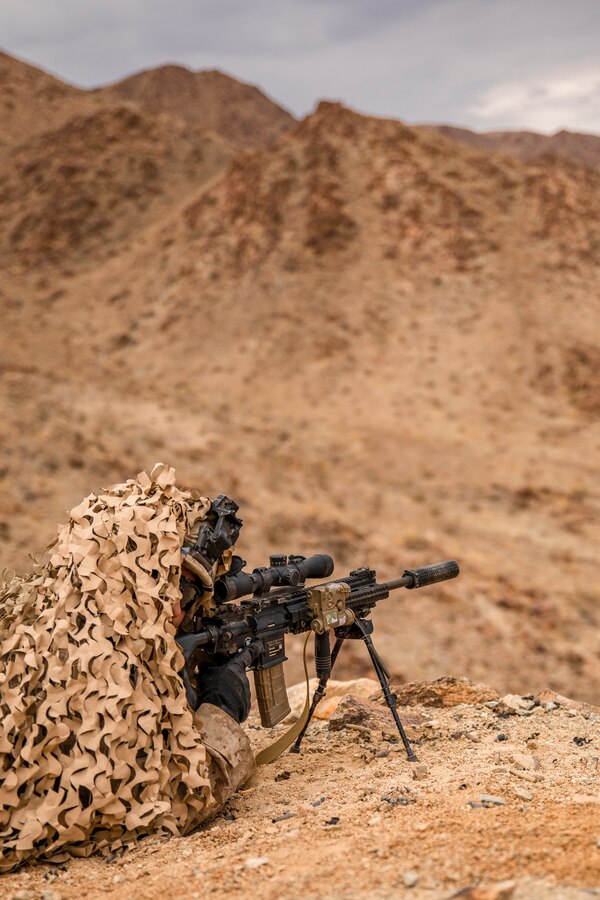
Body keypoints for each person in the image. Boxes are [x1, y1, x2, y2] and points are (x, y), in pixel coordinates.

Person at [0, 464, 255, 872]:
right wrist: (222, 708)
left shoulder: (38, 622)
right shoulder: (101, 668)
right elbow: (173, 802)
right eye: (164, 583)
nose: (177, 608)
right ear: (124, 576)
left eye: (188, 591)